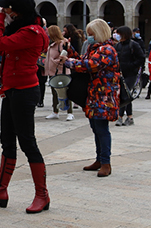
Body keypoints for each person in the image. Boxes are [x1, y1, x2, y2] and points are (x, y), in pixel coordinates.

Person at [0, 0, 50, 214]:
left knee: (28, 142)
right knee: (7, 141)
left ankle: (42, 195)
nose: (5, 11)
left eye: (7, 8)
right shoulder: (23, 29)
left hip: (25, 91)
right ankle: (1, 189)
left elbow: (0, 44)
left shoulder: (32, 32)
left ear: (16, 10)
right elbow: (6, 51)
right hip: (11, 89)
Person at [64, 19, 119, 178]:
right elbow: (83, 60)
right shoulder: (95, 48)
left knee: (102, 129)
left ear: (99, 33)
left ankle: (106, 163)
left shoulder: (107, 50)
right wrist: (70, 51)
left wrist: (69, 62)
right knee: (95, 128)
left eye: (91, 34)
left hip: (104, 95)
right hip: (93, 94)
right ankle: (99, 159)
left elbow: (90, 65)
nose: (89, 37)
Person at [114, 26, 145, 126]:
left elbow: (141, 58)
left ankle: (120, 116)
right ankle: (129, 117)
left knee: (125, 93)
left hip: (131, 74)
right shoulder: (118, 46)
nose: (117, 36)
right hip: (120, 74)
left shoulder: (133, 45)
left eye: (119, 34)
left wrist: (132, 66)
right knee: (124, 95)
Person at [43, 25, 74, 121]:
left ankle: (70, 112)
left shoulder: (62, 43)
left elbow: (64, 56)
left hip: (61, 71)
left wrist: (55, 61)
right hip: (53, 72)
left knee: (65, 92)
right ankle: (55, 111)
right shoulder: (52, 43)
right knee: (54, 92)